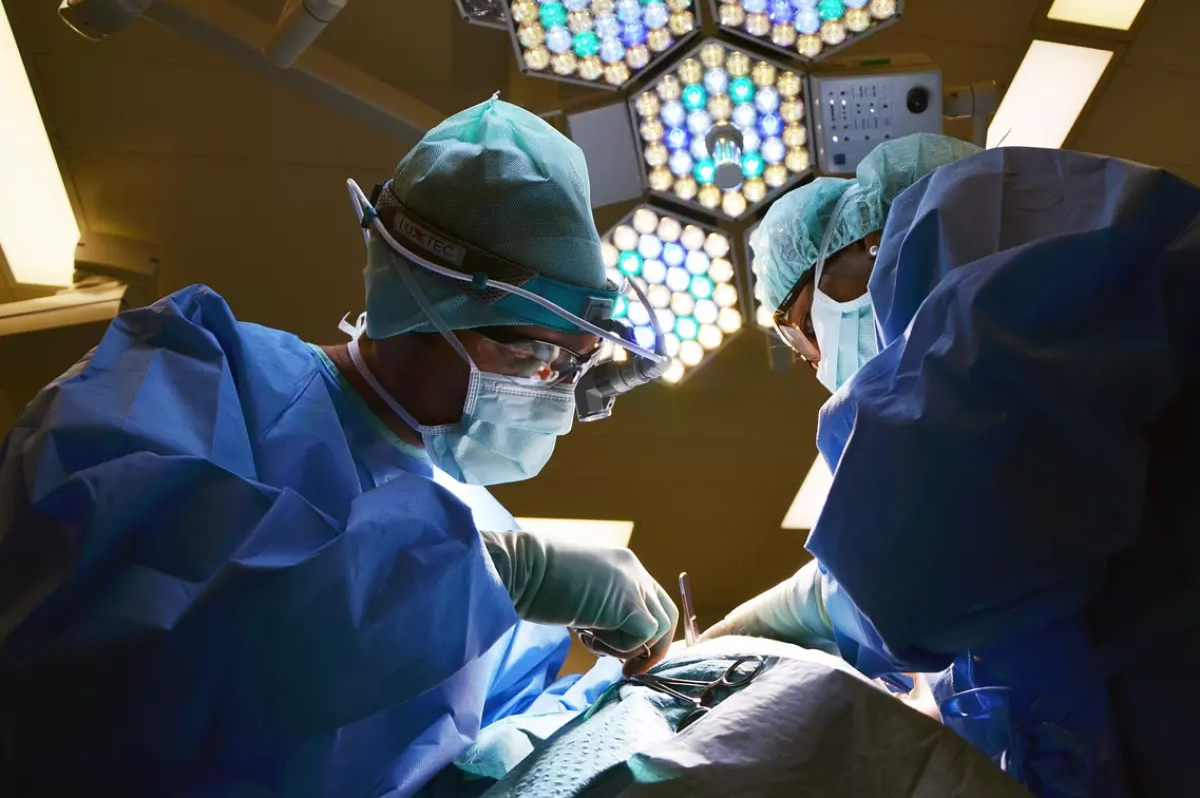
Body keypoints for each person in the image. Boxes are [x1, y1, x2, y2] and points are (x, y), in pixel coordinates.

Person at [0, 97, 678, 798]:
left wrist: (635, 699)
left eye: (572, 368)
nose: (555, 392)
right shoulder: (190, 371)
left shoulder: (473, 525)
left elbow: (491, 745)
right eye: (538, 359)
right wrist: (486, 575)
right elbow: (122, 629)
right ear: (428, 305)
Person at [703, 134, 1200, 798]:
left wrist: (819, 604)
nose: (816, 363)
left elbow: (926, 564)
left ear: (863, 249)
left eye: (800, 330)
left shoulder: (976, 221)